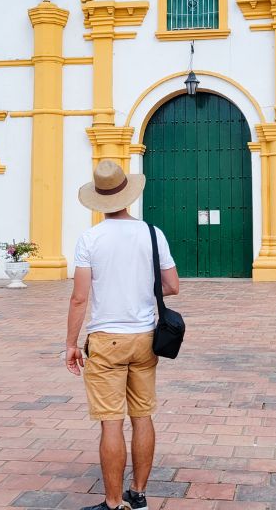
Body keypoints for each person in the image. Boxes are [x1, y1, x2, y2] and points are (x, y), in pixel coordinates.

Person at [66, 160, 180, 510]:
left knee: (111, 422)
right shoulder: (152, 233)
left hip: (106, 340)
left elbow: (80, 297)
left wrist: (70, 344)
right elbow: (172, 286)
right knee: (142, 415)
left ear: (97, 200)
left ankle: (114, 504)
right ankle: (139, 494)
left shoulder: (91, 238)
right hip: (146, 337)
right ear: (128, 195)